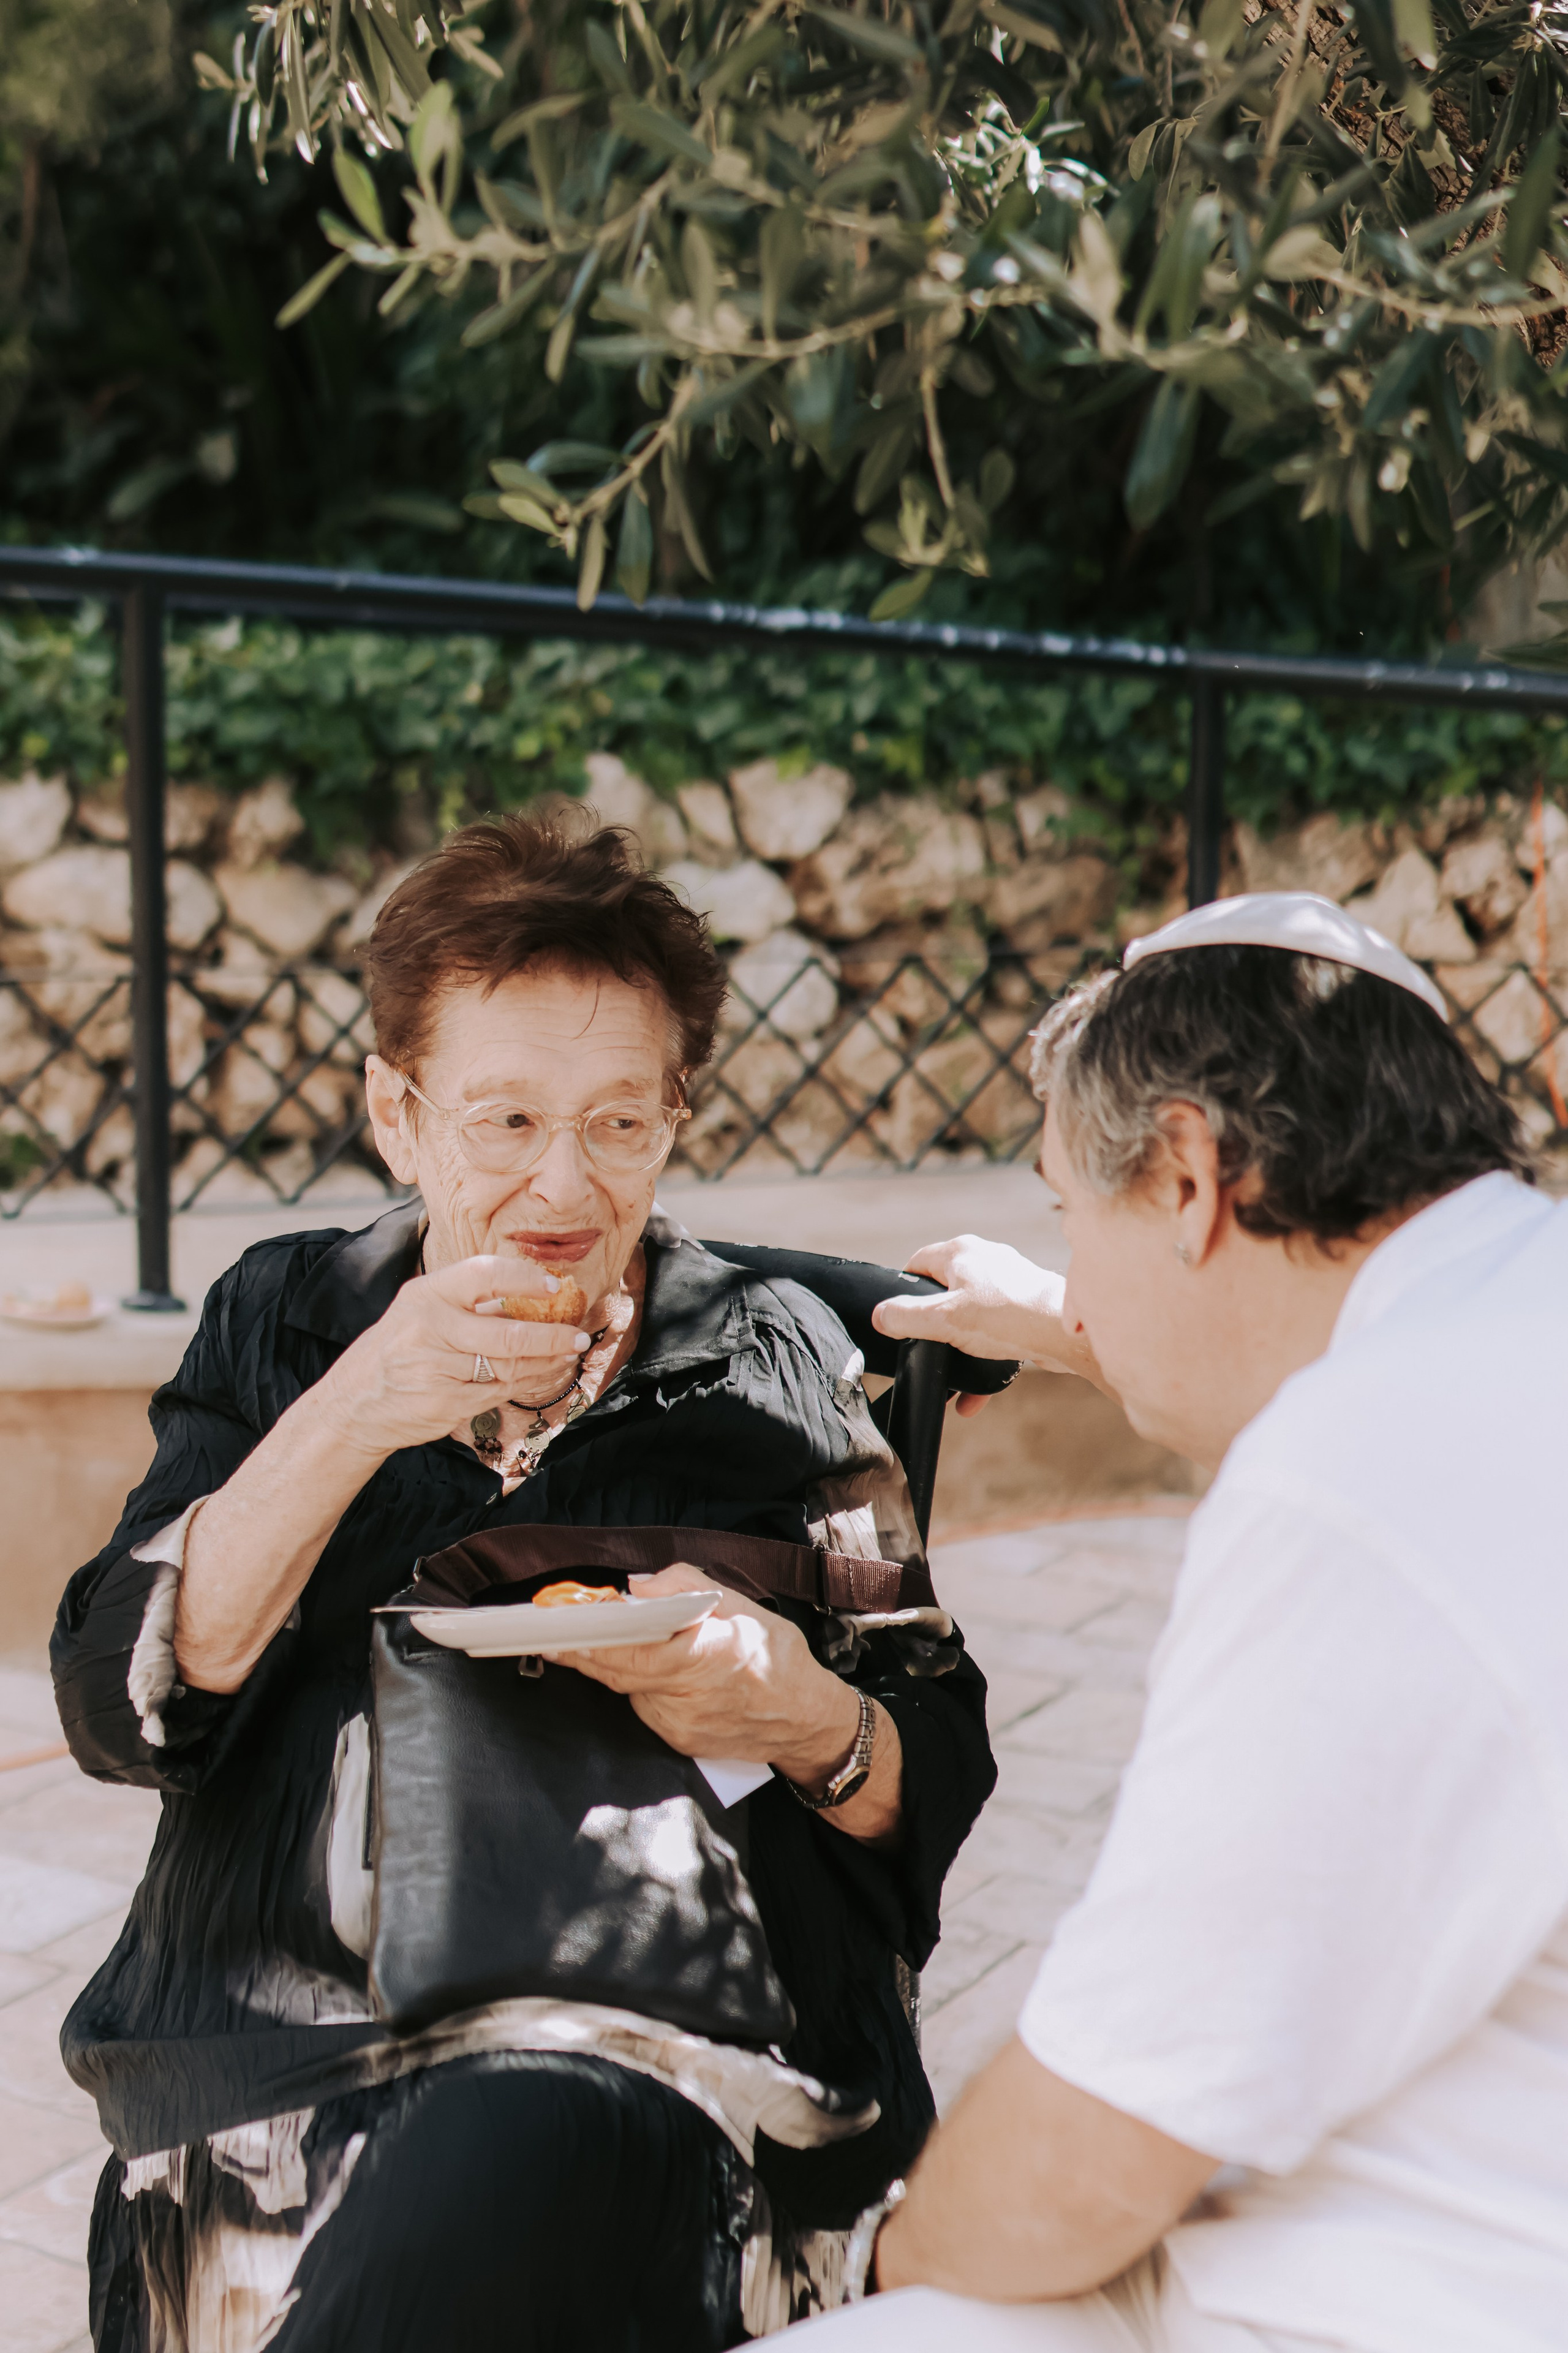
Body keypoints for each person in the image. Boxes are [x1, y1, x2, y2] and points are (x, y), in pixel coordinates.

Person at [52, 813, 996, 2353]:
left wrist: (803, 1706)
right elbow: (119, 1702)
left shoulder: (773, 1360)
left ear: (676, 1121)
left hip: (681, 2058)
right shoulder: (288, 1320)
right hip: (279, 2074)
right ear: (397, 1115)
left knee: (537, 2130)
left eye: (620, 1122)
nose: (564, 1182)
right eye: (504, 1123)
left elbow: (931, 1771)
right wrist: (361, 1404)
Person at [789, 891, 1568, 2351]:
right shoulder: (1514, 1311)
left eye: (1069, 1214)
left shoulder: (1354, 1480)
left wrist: (876, 2260)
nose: (1072, 1279)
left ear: (1187, 1176)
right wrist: (1069, 1325)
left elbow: (1085, 2159)